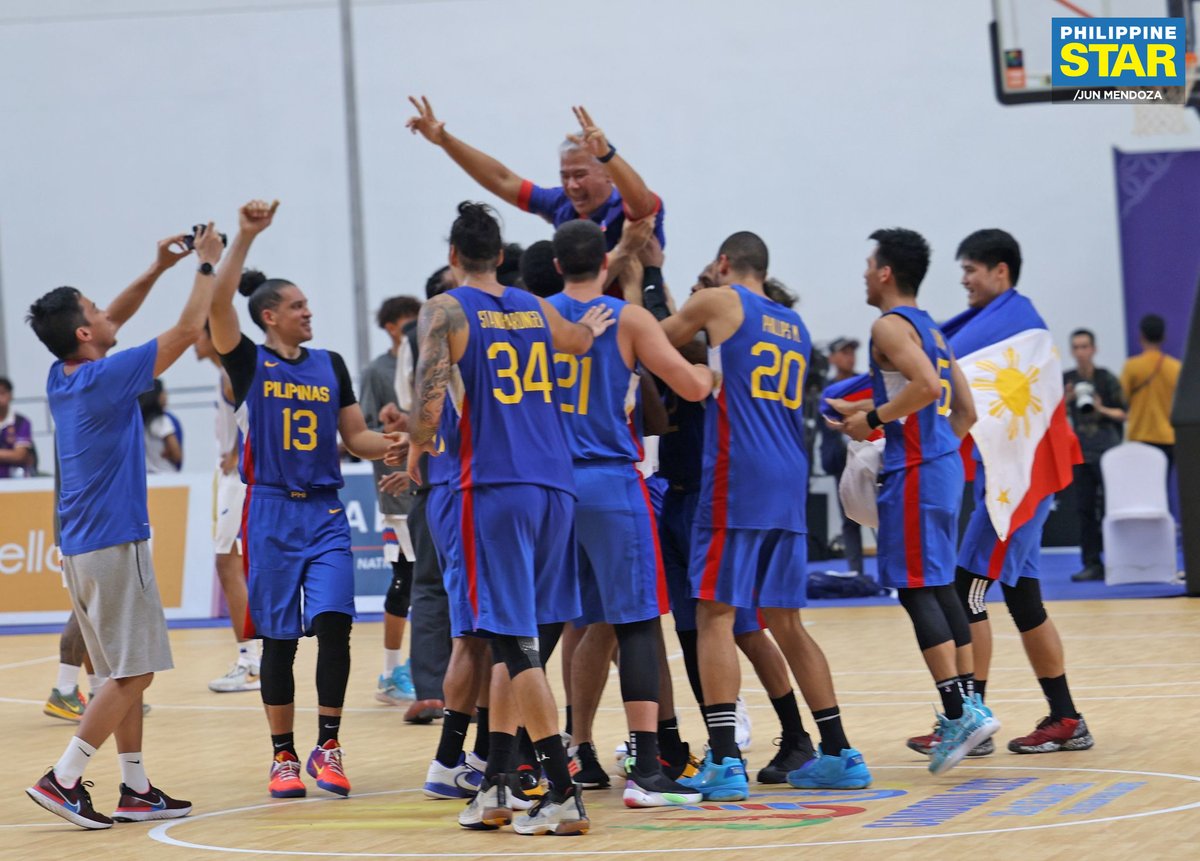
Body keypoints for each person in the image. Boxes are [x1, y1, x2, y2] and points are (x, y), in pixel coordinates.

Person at [407, 202, 612, 835]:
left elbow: (425, 409)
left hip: (488, 487)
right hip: (554, 484)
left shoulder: (444, 309)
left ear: (453, 257)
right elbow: (576, 343)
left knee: (512, 644)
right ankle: (496, 784)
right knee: (512, 640)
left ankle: (560, 790)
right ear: (501, 255)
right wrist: (597, 323)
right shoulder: (534, 304)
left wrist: (416, 448)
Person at [24, 226, 224, 828]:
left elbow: (112, 316)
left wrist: (157, 267)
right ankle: (62, 778)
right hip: (112, 543)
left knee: (116, 673)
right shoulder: (105, 378)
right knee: (135, 670)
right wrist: (205, 267)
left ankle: (135, 788)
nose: (106, 312)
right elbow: (190, 331)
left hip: (82, 548)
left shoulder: (64, 375)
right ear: (84, 333)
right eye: (93, 310)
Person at [660, 232, 871, 801]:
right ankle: (839, 751)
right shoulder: (794, 325)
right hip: (787, 475)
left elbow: (649, 345)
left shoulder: (719, 301)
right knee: (787, 622)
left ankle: (726, 760)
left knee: (714, 614)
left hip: (739, 474)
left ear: (725, 264)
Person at [209, 199, 401, 799]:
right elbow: (218, 308)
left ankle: (329, 745)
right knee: (280, 638)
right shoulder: (247, 361)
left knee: (336, 624)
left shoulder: (330, 364)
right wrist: (242, 237)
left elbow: (356, 437)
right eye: (297, 306)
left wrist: (396, 442)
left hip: (322, 509)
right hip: (268, 509)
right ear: (270, 316)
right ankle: (283, 756)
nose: (308, 311)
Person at [546, 220, 712, 808]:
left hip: (549, 487)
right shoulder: (629, 319)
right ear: (607, 263)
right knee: (638, 619)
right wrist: (711, 371)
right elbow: (689, 387)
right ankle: (647, 768)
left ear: (558, 264)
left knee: (548, 627)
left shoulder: (538, 317)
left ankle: (530, 759)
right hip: (609, 482)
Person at [827, 228, 994, 775]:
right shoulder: (935, 330)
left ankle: (956, 712)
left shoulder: (887, 325)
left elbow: (924, 386)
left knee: (915, 588)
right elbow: (963, 407)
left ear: (885, 273)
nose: (862, 273)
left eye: (868, 262)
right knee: (939, 584)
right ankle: (969, 706)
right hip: (944, 468)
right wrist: (939, 447)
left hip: (919, 471)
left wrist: (870, 421)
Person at [928, 228, 1093, 756]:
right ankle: (1066, 717)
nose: (964, 281)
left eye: (971, 271)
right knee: (1023, 598)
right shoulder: (1005, 326)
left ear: (1000, 270)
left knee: (964, 592)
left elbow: (943, 367)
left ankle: (969, 722)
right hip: (1023, 482)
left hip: (1019, 486)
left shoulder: (1018, 326)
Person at [656, 264, 814, 786]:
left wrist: (644, 271)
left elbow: (661, 331)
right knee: (696, 627)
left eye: (706, 284)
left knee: (744, 627)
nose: (700, 293)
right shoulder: (709, 334)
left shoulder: (712, 348)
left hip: (717, 495)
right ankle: (718, 742)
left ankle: (790, 735)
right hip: (675, 495)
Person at [406, 99, 663, 295]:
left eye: (580, 174)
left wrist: (607, 154)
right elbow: (501, 179)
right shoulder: (561, 204)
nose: (571, 185)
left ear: (608, 174)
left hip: (632, 325)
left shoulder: (623, 206)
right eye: (565, 176)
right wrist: (445, 141)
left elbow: (643, 201)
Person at [361, 295, 423, 705]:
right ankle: (390, 671)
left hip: (432, 489)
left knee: (431, 585)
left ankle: (423, 667)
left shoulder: (429, 362)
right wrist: (390, 428)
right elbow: (360, 431)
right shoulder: (376, 371)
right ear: (389, 327)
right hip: (398, 495)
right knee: (406, 582)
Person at [192, 325, 259, 692]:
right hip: (232, 476)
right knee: (232, 564)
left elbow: (254, 420)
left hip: (239, 478)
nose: (193, 343)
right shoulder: (226, 373)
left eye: (199, 335)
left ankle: (250, 661)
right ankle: (252, 657)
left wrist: (237, 452)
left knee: (228, 563)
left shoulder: (232, 375)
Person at [1064, 329, 1126, 582]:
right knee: (1084, 509)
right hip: (1079, 453)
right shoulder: (1066, 379)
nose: (1081, 352)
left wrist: (1100, 408)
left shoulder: (1106, 378)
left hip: (1107, 452)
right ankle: (1091, 563)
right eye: (1076, 347)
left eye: (1085, 346)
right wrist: (1065, 400)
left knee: (1111, 509)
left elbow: (1124, 413)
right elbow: (1051, 416)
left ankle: (1118, 560)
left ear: (1094, 349)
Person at [818, 338, 865, 576]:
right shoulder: (826, 389)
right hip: (841, 459)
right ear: (832, 358)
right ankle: (855, 570)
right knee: (849, 515)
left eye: (852, 352)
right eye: (844, 352)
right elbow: (826, 422)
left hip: (869, 454)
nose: (850, 357)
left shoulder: (864, 383)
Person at [1120, 314, 1181, 468]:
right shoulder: (1175, 367)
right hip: (1168, 437)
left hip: (1140, 435)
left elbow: (1122, 399)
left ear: (1141, 336)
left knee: (1142, 485)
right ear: (1164, 337)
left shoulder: (1132, 366)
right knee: (1162, 486)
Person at [139, 379, 182, 473]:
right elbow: (177, 454)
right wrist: (168, 453)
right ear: (156, 395)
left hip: (147, 476)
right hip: (166, 474)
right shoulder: (162, 421)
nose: (166, 396)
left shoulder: (138, 421)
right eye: (163, 392)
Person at [0, 377, 35, 478]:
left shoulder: (21, 422)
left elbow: (20, 455)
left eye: (2, 393)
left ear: (10, 395)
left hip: (15, 482)